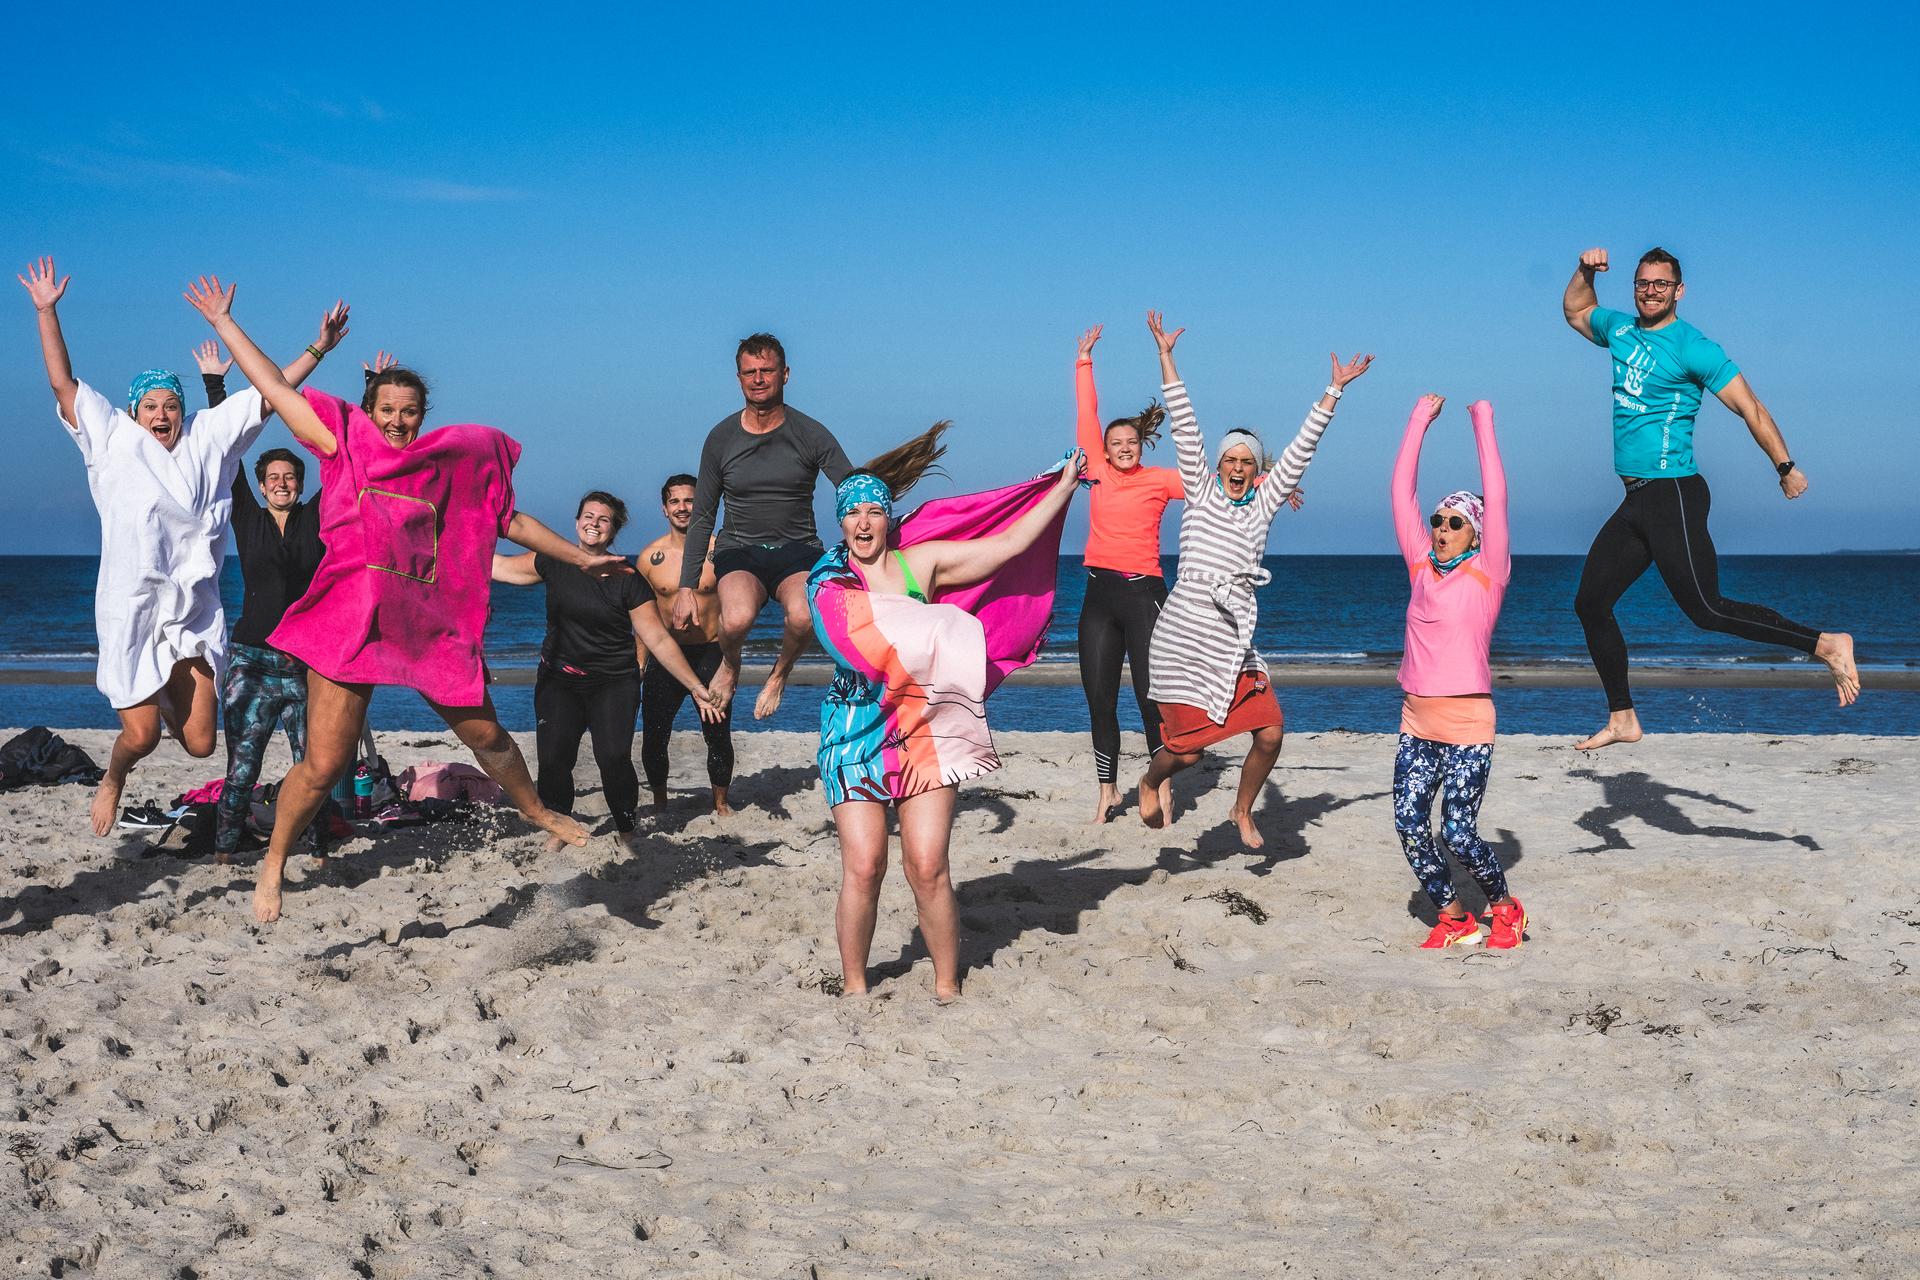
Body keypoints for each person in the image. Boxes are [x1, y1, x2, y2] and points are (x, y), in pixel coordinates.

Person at [186, 275, 627, 922]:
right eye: (387, 408)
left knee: (487, 734)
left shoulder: (443, 467)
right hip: (347, 624)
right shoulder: (343, 445)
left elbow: (513, 522)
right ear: (371, 409)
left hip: (422, 624)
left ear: (423, 416)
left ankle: (536, 810)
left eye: (409, 411)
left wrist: (583, 557)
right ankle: (276, 858)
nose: (396, 420)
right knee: (323, 763)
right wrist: (226, 324)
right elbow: (277, 391)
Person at [17, 256, 341, 837]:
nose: (161, 413)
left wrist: (318, 349)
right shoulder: (111, 438)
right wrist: (46, 311)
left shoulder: (206, 437)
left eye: (170, 403)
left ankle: (167, 692)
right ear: (134, 412)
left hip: (193, 612)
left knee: (196, 745)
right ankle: (113, 778)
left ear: (180, 410)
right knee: (140, 738)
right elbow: (63, 385)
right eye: (151, 406)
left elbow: (271, 392)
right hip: (134, 610)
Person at [809, 427, 1083, 1002]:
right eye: (852, 512)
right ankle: (855, 988)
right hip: (853, 730)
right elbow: (839, 637)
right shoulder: (830, 581)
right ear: (840, 522)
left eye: (874, 512)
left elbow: (1007, 547)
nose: (863, 523)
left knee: (928, 865)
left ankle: (947, 986)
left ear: (889, 518)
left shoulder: (921, 566)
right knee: (864, 866)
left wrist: (1062, 488)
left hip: (923, 730)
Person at [1562, 247, 1858, 750]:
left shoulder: (1694, 348)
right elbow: (1574, 309)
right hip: (1635, 498)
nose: (1650, 291)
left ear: (1679, 290)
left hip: (1673, 493)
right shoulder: (1620, 330)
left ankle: (1826, 644)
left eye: (1660, 284)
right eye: (1642, 283)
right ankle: (1623, 718)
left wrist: (1785, 467)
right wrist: (1586, 271)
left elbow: (1750, 407)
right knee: (1591, 603)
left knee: (1706, 609)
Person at [1135, 311, 1372, 849]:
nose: (1238, 466)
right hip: (1183, 634)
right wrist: (1166, 356)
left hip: (1232, 635)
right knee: (1189, 752)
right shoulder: (1198, 488)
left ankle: (1242, 811)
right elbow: (1185, 420)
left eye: (1247, 460)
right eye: (1231, 460)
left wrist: (1332, 392)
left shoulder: (1264, 503)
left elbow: (1299, 454)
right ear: (1217, 466)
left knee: (1270, 731)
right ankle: (1152, 779)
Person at [492, 491, 722, 849]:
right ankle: (560, 826)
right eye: (588, 515)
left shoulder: (627, 577)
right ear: (576, 521)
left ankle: (627, 827)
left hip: (614, 683)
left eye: (603, 519)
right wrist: (445, 545)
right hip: (558, 680)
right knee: (554, 759)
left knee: (613, 758)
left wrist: (694, 685)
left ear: (613, 531)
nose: (593, 523)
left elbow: (657, 639)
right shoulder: (553, 560)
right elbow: (500, 569)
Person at [1389, 395, 1526, 949]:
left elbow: (1497, 494)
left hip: (1469, 724)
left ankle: (1503, 907)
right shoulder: (1421, 566)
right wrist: (1418, 416)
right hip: (1417, 719)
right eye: (1438, 522)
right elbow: (1401, 492)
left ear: (1475, 531)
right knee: (1409, 824)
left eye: (1454, 523)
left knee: (1459, 831)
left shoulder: (1488, 573)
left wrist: (1481, 419)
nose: (1441, 529)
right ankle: (1453, 916)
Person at [671, 333, 851, 720]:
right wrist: (686, 587)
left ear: (785, 374)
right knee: (735, 619)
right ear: (738, 378)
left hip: (798, 549)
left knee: (804, 616)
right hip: (740, 549)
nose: (758, 379)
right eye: (749, 372)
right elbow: (703, 514)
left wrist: (868, 538)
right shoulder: (721, 438)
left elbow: (851, 489)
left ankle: (779, 675)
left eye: (766, 371)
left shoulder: (811, 433)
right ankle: (732, 666)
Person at [637, 474, 736, 815]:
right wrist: (639, 663)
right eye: (675, 501)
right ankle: (661, 802)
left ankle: (721, 804)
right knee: (654, 736)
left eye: (689, 500)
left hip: (711, 652)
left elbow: (740, 603)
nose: (683, 507)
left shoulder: (721, 550)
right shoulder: (650, 558)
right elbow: (641, 618)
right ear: (665, 508)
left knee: (718, 734)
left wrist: (731, 662)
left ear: (701, 505)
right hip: (666, 658)